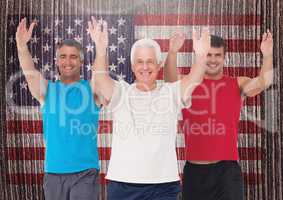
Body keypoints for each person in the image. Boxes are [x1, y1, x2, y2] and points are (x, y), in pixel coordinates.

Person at [87, 17, 210, 200]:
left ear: (159, 65)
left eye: (150, 61)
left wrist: (201, 57)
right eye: (140, 61)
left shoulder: (171, 92)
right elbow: (100, 80)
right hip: (123, 185)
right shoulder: (121, 91)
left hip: (163, 185)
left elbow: (193, 80)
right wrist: (100, 48)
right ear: (133, 66)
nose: (145, 67)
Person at [164, 31, 273, 200]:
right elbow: (169, 83)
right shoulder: (188, 84)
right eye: (208, 55)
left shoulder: (238, 83)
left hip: (227, 172)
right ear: (200, 55)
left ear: (224, 57)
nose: (213, 60)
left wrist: (267, 55)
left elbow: (263, 83)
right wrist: (172, 52)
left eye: (217, 55)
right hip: (194, 171)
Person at [16, 18, 102, 200]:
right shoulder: (47, 91)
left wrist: (101, 47)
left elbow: (100, 72)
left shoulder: (93, 89)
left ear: (81, 61)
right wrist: (22, 47)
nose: (68, 61)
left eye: (73, 56)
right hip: (53, 173)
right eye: (63, 56)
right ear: (56, 61)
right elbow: (29, 72)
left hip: (86, 173)